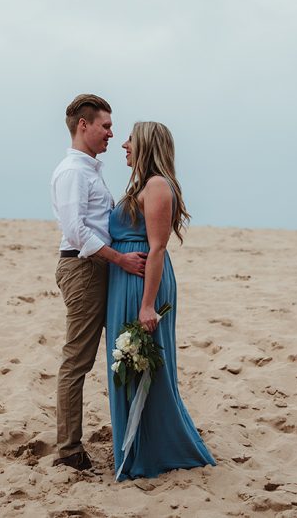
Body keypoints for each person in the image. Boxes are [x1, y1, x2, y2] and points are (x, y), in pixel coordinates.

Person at [106, 121, 216, 480]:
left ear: (146, 145)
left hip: (143, 284)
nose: (123, 145)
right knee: (129, 365)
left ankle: (156, 448)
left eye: (130, 140)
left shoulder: (156, 186)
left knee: (145, 366)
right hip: (127, 280)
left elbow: (157, 248)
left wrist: (147, 304)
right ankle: (135, 444)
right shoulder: (142, 185)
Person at [50, 94, 147, 472]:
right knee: (78, 360)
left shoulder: (90, 170)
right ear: (83, 125)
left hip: (99, 267)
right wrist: (120, 258)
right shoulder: (73, 172)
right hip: (84, 268)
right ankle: (69, 450)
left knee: (117, 352)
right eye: (105, 126)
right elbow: (76, 233)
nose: (111, 133)